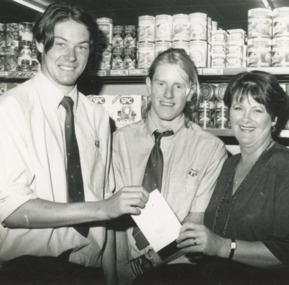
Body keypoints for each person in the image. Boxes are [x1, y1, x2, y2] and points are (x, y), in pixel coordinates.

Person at [0, 3, 148, 285]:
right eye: (61, 44)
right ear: (41, 44)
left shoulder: (97, 117)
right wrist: (103, 208)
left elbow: (103, 203)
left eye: (81, 47)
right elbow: (12, 210)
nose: (71, 56)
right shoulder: (11, 109)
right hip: (29, 272)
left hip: (88, 272)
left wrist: (110, 278)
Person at [137, 70, 289, 285]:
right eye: (238, 108)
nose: (245, 119)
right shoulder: (229, 164)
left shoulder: (283, 166)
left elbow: (285, 253)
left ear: (274, 118)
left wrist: (221, 246)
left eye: (257, 110)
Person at [112, 48, 228, 284]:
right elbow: (113, 216)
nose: (168, 94)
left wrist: (136, 269)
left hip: (179, 271)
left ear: (191, 90)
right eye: (161, 83)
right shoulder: (119, 141)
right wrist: (116, 271)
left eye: (178, 86)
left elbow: (193, 228)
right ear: (148, 84)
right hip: (119, 267)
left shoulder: (210, 149)